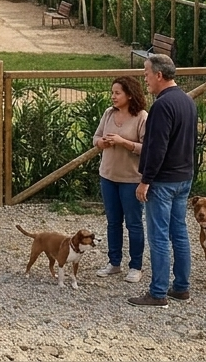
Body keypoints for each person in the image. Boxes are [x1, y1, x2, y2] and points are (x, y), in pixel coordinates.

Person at [129, 53, 196, 307]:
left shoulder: (161, 106)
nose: (144, 79)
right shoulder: (187, 102)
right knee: (179, 232)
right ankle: (181, 287)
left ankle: (157, 292)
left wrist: (146, 180)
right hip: (183, 177)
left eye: (146, 74)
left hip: (163, 180)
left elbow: (156, 147)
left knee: (158, 236)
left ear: (159, 75)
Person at [93, 75, 148, 284]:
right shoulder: (108, 114)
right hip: (108, 176)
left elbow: (147, 149)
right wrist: (101, 143)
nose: (113, 97)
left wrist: (123, 142)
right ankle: (114, 262)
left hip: (131, 178)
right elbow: (95, 137)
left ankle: (136, 266)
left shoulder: (142, 117)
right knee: (113, 222)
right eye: (112, 92)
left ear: (130, 95)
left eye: (118, 93)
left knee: (134, 224)